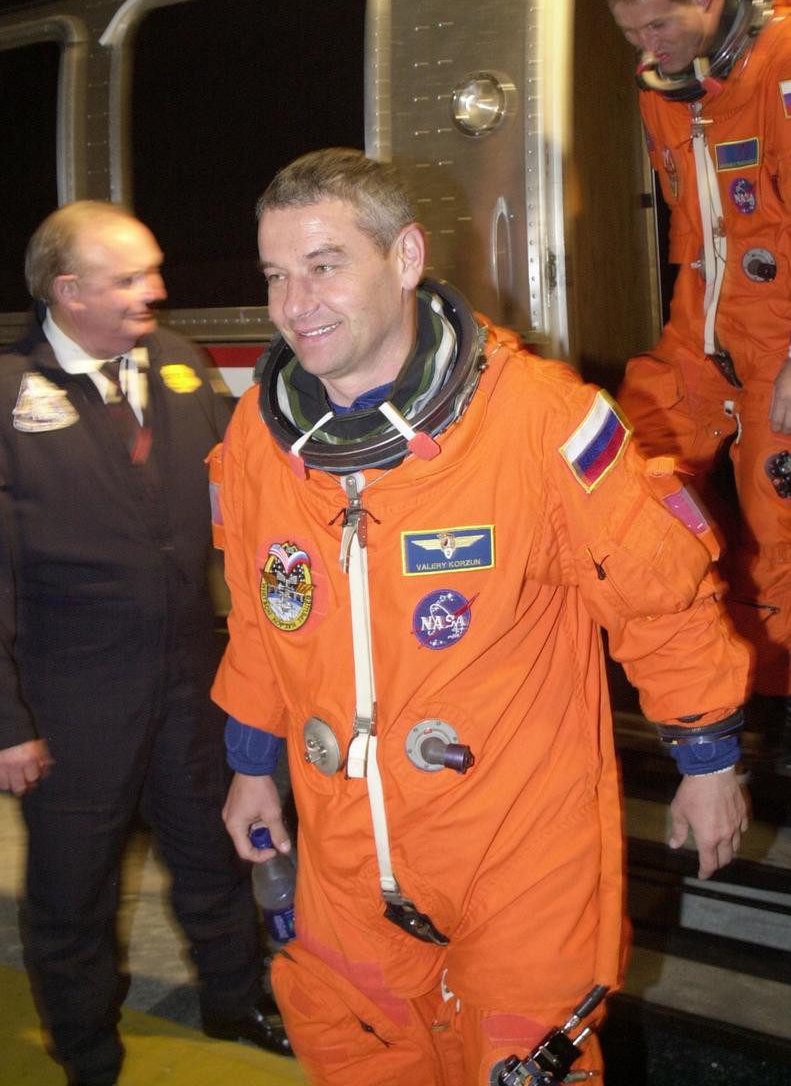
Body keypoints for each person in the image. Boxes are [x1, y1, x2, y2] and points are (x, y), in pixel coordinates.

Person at [209, 147, 751, 1085]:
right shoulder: (258, 437)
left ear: (406, 257)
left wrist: (706, 758)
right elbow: (266, 618)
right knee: (356, 1048)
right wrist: (251, 764)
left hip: (515, 845)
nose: (295, 303)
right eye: (275, 275)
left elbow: (660, 597)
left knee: (522, 1059)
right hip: (345, 847)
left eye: (325, 264)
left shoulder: (540, 421)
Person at [0, 201, 290, 1086]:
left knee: (214, 856)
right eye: (131, 278)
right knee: (72, 892)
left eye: (152, 270)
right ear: (68, 293)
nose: (158, 291)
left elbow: (241, 491)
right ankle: (86, 1048)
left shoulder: (176, 366)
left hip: (190, 681)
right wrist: (0, 725)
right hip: (69, 704)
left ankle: (234, 1000)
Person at [605, 0, 791, 771]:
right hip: (702, 329)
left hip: (780, 336)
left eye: (659, 27)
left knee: (778, 525)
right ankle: (698, 686)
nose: (648, 47)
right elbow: (695, 229)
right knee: (630, 478)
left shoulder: (782, 57)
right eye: (634, 34)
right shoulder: (662, 90)